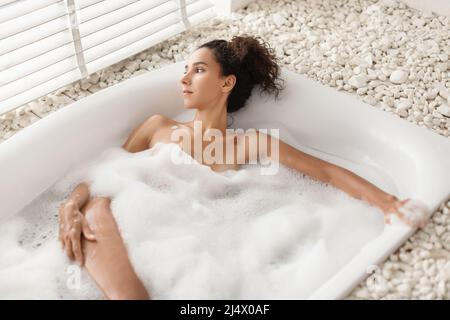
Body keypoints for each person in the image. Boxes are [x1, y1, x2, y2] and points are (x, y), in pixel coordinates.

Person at [58, 35, 423, 300]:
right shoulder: (158, 127)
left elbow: (325, 173)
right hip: (125, 229)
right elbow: (102, 177)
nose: (184, 79)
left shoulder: (250, 144)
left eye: (198, 70)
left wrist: (388, 203)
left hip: (188, 248)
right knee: (98, 205)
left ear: (226, 83)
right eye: (185, 70)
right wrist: (70, 205)